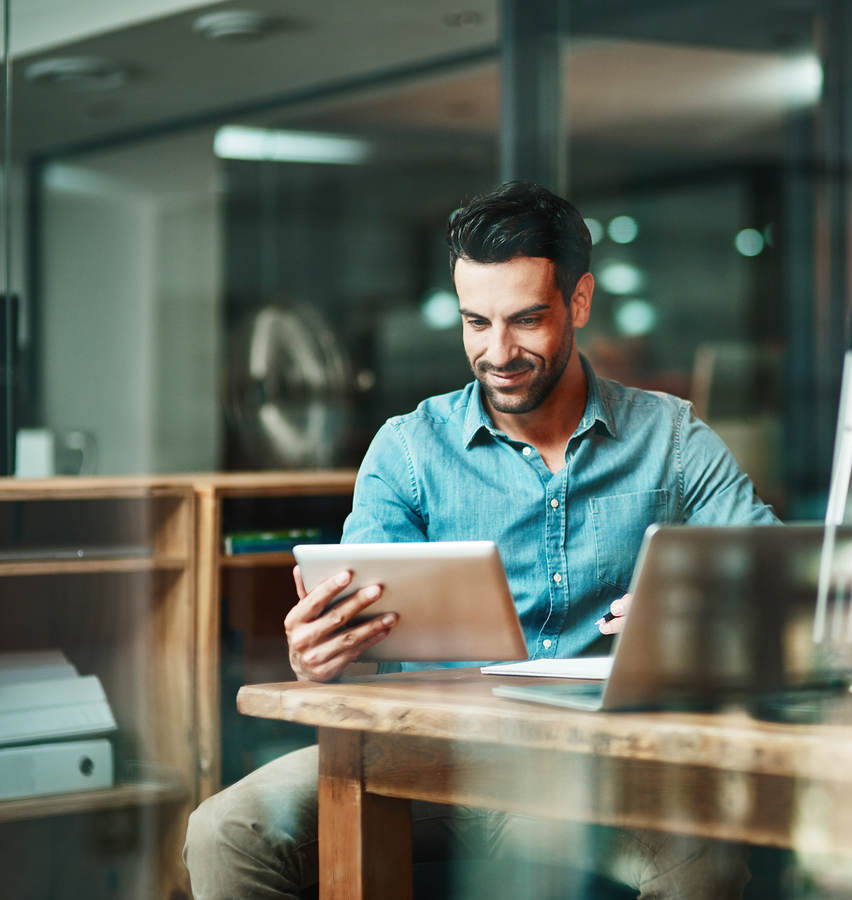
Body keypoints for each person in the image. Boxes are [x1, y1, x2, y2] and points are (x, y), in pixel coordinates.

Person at [185, 181, 780, 899]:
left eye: (526, 320)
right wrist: (322, 655)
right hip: (424, 764)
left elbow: (783, 586)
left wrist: (699, 619)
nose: (498, 352)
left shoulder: (673, 440)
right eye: (476, 322)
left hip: (602, 772)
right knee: (227, 829)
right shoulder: (407, 450)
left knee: (703, 862)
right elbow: (360, 654)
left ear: (580, 301)